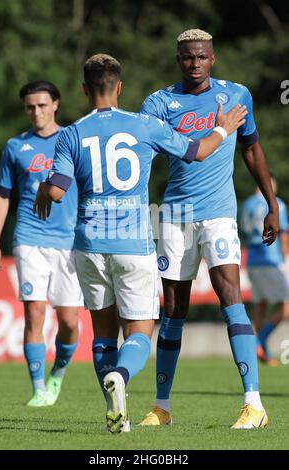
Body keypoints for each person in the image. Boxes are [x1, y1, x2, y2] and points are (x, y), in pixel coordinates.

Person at [33, 54, 246, 433]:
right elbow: (197, 152)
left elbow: (58, 191)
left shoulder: (70, 133)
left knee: (102, 333)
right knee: (140, 333)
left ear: (84, 90)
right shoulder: (144, 125)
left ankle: (118, 416)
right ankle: (123, 377)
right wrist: (224, 128)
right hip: (132, 243)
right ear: (120, 87)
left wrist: (43, 191)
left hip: (90, 245)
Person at [139, 28, 279, 429]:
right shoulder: (159, 103)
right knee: (173, 308)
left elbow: (252, 148)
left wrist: (272, 205)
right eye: (187, 57)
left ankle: (253, 403)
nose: (194, 63)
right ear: (178, 58)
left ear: (212, 58)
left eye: (201, 57)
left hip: (218, 212)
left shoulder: (237, 95)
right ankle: (161, 407)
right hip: (174, 215)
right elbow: (142, 157)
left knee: (229, 294)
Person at [0, 81, 83, 407]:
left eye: (42, 105)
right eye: (30, 106)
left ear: (55, 105)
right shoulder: (16, 147)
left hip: (69, 242)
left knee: (70, 322)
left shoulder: (73, 139)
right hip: (28, 238)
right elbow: (3, 195)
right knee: (35, 313)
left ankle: (58, 374)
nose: (36, 112)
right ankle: (38, 389)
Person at [240, 179, 289, 365]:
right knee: (285, 307)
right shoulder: (276, 203)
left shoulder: (246, 205)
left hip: (252, 260)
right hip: (271, 260)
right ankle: (257, 343)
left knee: (259, 307)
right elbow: (282, 232)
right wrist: (286, 259)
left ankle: (263, 354)